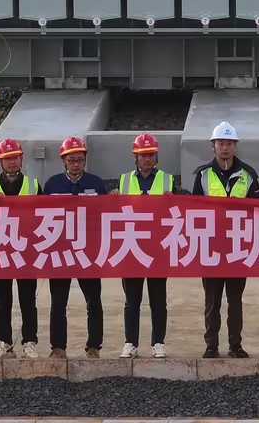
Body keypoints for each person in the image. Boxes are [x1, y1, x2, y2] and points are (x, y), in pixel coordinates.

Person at [191, 121, 259, 359]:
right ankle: (211, 345)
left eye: (229, 143)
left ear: (236, 146)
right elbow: (194, 211)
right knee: (212, 301)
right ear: (212, 146)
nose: (225, 147)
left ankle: (235, 345)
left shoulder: (248, 175)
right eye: (221, 143)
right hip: (211, 247)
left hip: (238, 247)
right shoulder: (203, 175)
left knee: (235, 301)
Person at [42, 136, 107, 359]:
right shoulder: (52, 185)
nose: (76, 164)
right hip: (60, 251)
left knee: (94, 301)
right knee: (58, 303)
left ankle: (94, 346)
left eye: (80, 160)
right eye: (71, 160)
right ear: (63, 161)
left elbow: (106, 215)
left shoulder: (96, 184)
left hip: (88, 252)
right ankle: (58, 347)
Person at [117, 132, 174, 360]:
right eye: (143, 155)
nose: (147, 159)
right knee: (132, 301)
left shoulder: (168, 180)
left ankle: (158, 342)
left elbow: (178, 212)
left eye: (150, 154)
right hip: (131, 246)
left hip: (157, 247)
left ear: (156, 156)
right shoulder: (123, 181)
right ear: (136, 157)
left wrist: (174, 199)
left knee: (158, 300)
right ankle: (130, 342)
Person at [0, 138, 41, 358]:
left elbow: (45, 216)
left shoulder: (34, 186)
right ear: (0, 161)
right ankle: (4, 341)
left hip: (26, 251)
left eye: (15, 157)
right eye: (7, 158)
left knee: (28, 300)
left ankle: (29, 341)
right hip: (0, 251)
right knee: (2, 301)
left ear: (21, 159)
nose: (12, 162)